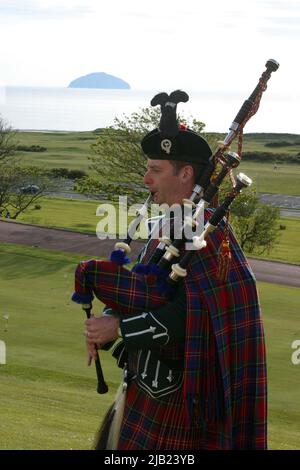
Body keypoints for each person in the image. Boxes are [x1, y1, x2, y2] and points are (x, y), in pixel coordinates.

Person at [82, 90, 267, 450]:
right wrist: (110, 313)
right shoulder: (166, 225)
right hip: (144, 391)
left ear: (185, 174)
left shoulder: (210, 237)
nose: (146, 179)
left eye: (155, 170)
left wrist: (119, 327)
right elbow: (148, 288)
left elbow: (190, 316)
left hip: (183, 410)